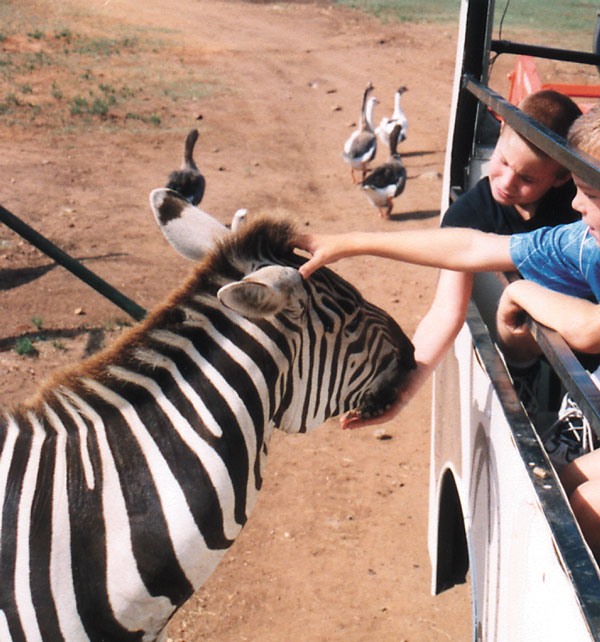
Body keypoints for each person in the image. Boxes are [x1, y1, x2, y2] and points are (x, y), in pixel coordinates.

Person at [296, 102, 600, 556]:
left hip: (582, 371)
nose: (577, 205)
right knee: (550, 485)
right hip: (562, 368)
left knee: (577, 504)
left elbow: (593, 329)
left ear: (557, 177)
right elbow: (465, 263)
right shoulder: (578, 235)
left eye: (588, 193)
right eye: (500, 163)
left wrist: (520, 295)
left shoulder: (576, 225)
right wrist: (349, 243)